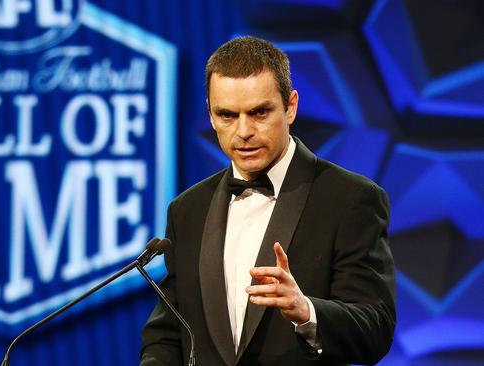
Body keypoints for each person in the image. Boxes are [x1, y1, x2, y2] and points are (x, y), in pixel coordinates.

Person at [140, 36, 396, 365]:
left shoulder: (351, 199)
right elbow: (168, 329)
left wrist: (307, 312)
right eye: (228, 115)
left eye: (259, 112)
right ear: (211, 115)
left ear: (290, 107)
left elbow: (376, 328)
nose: (243, 131)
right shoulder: (187, 210)